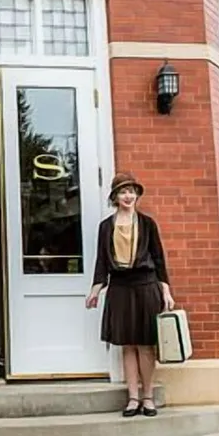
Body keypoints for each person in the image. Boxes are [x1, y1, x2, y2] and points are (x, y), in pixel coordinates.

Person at [86, 173, 174, 418]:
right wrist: (96, 289)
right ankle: (132, 398)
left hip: (146, 285)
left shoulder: (147, 224)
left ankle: (148, 397)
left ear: (137, 195)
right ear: (115, 196)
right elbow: (102, 260)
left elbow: (159, 259)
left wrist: (165, 289)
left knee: (146, 345)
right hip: (120, 287)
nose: (128, 196)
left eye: (132, 191)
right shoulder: (106, 226)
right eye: (123, 192)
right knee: (127, 345)